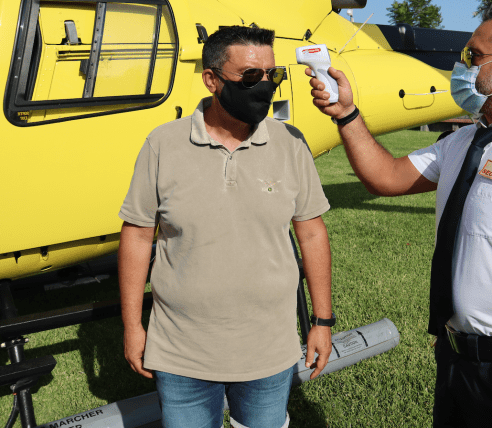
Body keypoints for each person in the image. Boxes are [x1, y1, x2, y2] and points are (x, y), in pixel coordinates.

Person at [306, 3, 492, 428]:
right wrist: (346, 115)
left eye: (474, 56)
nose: (461, 66)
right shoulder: (463, 141)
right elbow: (387, 177)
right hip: (455, 361)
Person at [118, 25, 334, 428]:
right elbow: (136, 235)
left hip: (269, 349)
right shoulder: (163, 144)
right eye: (251, 76)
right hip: (181, 351)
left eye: (273, 75)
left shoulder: (290, 142)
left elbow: (311, 232)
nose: (265, 85)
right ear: (212, 80)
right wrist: (133, 326)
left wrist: (321, 322)